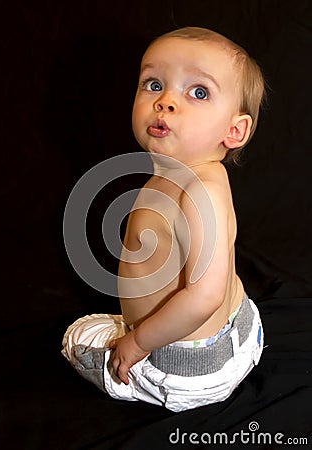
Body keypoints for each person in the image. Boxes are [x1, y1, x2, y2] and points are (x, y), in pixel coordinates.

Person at [62, 27, 265, 412]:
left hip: (182, 368)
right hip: (238, 328)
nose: (166, 102)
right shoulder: (200, 175)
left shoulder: (196, 193)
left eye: (198, 92)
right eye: (153, 84)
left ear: (234, 130)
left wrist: (137, 342)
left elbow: (205, 296)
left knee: (78, 336)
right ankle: (240, 341)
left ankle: (154, 376)